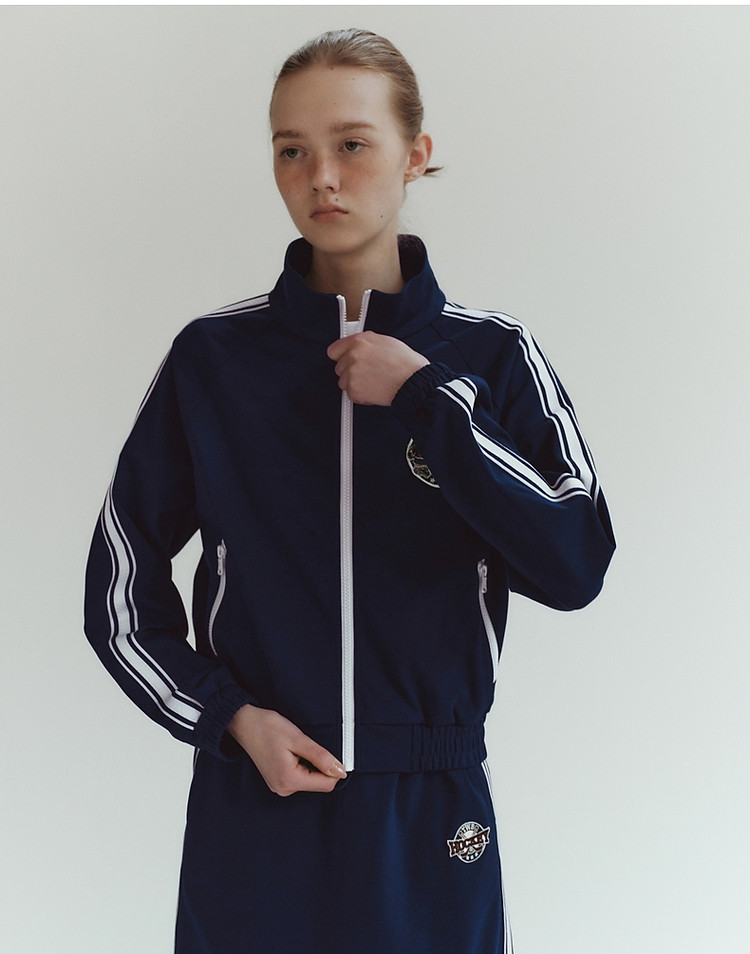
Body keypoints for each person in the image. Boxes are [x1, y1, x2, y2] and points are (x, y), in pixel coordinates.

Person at [84, 28, 615, 954]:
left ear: (415, 154)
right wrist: (227, 719)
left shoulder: (492, 356)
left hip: (431, 806)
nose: (320, 177)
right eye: (291, 150)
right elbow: (119, 592)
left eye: (352, 144)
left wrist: (427, 399)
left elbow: (574, 561)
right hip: (258, 800)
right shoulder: (214, 359)